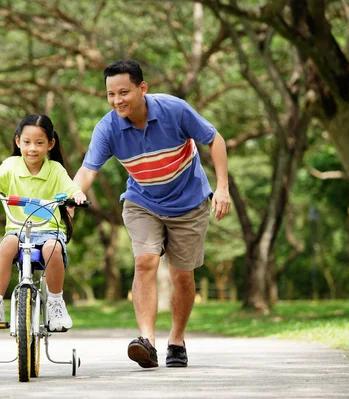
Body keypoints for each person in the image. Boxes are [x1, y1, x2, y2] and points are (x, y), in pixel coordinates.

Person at [73, 60, 231, 368]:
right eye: (110, 94)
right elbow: (87, 170)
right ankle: (147, 341)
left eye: (124, 92)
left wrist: (222, 188)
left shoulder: (174, 110)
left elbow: (215, 139)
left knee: (182, 276)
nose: (117, 100)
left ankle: (177, 339)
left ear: (142, 88)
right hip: (142, 201)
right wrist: (75, 192)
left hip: (189, 203)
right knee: (145, 261)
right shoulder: (108, 128)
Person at [0, 114, 86, 332]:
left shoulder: (55, 170)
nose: (32, 148)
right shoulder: (11, 165)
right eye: (26, 142)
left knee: (52, 248)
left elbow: (71, 188)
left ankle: (55, 303)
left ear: (50, 144)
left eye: (39, 143)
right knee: (7, 244)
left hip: (49, 231)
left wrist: (78, 194)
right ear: (18, 141)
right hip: (18, 229)